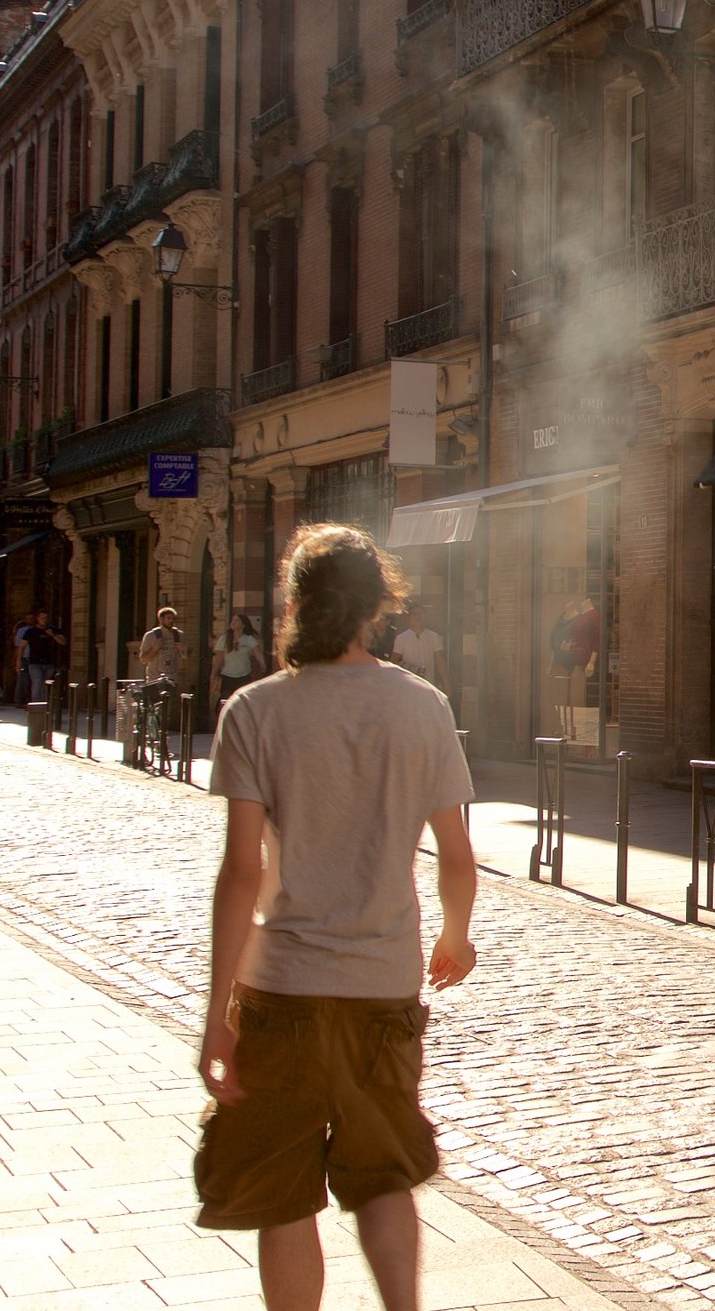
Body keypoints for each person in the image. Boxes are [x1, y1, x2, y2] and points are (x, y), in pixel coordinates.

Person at [195, 523, 479, 1311]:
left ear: (297, 604)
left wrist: (218, 1015)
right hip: (381, 985)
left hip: (281, 989)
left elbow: (242, 872)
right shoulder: (423, 706)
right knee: (384, 1176)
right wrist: (456, 936)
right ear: (377, 606)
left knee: (283, 1194)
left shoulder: (254, 710)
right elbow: (457, 854)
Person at [211, 612, 267, 714]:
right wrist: (213, 674)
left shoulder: (249, 639)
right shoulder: (224, 639)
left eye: (237, 620)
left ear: (243, 625)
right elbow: (218, 658)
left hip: (243, 675)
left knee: (242, 703)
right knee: (226, 703)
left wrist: (263, 665)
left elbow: (258, 653)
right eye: (233, 620)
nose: (233, 622)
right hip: (227, 676)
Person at [391, 606, 445, 686]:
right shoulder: (401, 638)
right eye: (414, 614)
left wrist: (446, 683)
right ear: (409, 618)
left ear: (425, 616)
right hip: (409, 684)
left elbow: (440, 662)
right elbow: (393, 662)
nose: (418, 617)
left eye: (421, 614)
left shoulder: (433, 636)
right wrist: (409, 668)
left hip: (428, 683)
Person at [18, 608, 63, 705]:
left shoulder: (53, 630)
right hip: (35, 662)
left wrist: (53, 635)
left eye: (46, 618)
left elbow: (63, 642)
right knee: (37, 683)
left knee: (46, 685)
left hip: (49, 662)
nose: (45, 620)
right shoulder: (31, 631)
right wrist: (18, 661)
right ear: (38, 618)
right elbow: (21, 646)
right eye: (42, 618)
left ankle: (46, 705)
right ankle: (36, 707)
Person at [139, 606, 186, 687]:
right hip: (154, 681)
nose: (171, 621)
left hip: (172, 680)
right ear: (161, 619)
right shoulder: (150, 636)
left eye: (173, 618)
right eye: (168, 618)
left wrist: (183, 650)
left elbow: (186, 657)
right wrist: (155, 648)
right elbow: (144, 659)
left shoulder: (179, 635)